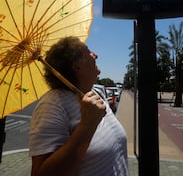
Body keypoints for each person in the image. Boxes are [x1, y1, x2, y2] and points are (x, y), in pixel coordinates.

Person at [29, 36, 129, 176]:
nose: (96, 55)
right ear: (76, 66)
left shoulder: (94, 92)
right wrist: (87, 125)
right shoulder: (52, 106)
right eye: (88, 52)